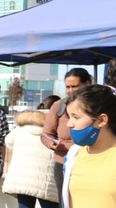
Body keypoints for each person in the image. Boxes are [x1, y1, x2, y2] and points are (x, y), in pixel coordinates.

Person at [1, 110, 59, 208]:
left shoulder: (20, 129)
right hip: (45, 176)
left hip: (23, 174)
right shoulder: (52, 130)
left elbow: (8, 142)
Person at [41, 68, 92, 201]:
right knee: (65, 205)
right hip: (63, 162)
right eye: (67, 87)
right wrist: (52, 145)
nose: (70, 91)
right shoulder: (58, 106)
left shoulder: (97, 105)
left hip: (90, 162)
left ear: (87, 84)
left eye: (74, 86)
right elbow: (46, 134)